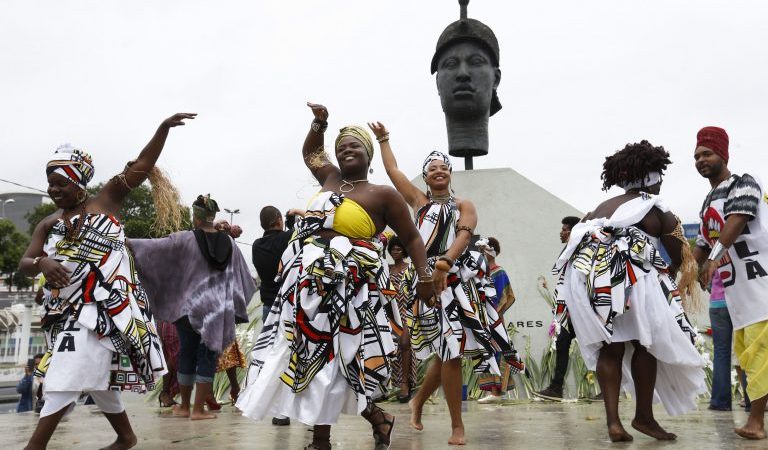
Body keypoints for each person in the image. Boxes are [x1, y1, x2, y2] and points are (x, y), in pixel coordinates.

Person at [236, 103, 434, 450]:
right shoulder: (329, 179)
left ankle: (324, 441)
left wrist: (425, 276)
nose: (346, 149)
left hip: (351, 288)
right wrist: (320, 123)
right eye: (341, 146)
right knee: (315, 358)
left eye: (354, 145)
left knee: (335, 358)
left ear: (368, 154)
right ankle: (375, 418)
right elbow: (311, 152)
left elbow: (414, 238)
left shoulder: (382, 194)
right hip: (309, 286)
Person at [18, 113, 194, 450]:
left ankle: (34, 447)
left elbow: (141, 165)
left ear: (79, 183)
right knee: (95, 377)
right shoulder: (48, 223)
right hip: (66, 312)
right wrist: (43, 261)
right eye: (50, 184)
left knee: (66, 374)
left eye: (61, 183)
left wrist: (162, 129)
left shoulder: (105, 202)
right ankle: (126, 437)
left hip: (107, 310)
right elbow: (26, 261)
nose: (54, 190)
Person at [370, 121, 524, 446]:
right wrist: (384, 139)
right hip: (427, 286)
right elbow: (393, 170)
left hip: (455, 283)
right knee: (447, 353)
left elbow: (464, 233)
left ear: (450, 174)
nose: (438, 171)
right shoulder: (418, 203)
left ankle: (436, 414)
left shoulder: (463, 205)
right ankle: (438, 414)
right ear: (425, 177)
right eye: (432, 168)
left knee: (447, 354)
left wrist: (445, 262)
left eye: (444, 167)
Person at [553, 140, 706, 442]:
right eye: (659, 175)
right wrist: (668, 291)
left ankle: (614, 422)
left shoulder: (598, 210)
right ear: (651, 176)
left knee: (611, 348)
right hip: (633, 284)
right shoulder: (657, 209)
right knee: (644, 344)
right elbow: (678, 257)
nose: (661, 182)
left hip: (593, 285)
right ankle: (644, 417)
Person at [130, 194, 255, 421]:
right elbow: (244, 278)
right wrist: (233, 307)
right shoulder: (230, 244)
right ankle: (199, 410)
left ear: (196, 218)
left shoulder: (183, 239)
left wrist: (128, 241)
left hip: (187, 310)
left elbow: (154, 249)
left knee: (187, 353)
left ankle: (185, 406)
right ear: (212, 217)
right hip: (216, 312)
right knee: (207, 357)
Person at [693, 126, 768, 440]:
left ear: (723, 154)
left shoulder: (744, 183)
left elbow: (737, 219)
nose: (700, 160)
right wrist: (685, 273)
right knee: (746, 357)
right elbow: (700, 241)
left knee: (761, 353)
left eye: (707, 153)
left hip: (761, 286)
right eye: (696, 155)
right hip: (739, 294)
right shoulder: (709, 198)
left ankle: (756, 422)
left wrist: (712, 257)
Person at [536, 216, 583, 401]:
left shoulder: (580, 250)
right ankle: (556, 388)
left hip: (580, 309)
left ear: (574, 232)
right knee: (563, 342)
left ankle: (610, 389)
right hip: (571, 310)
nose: (561, 232)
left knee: (599, 347)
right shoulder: (569, 250)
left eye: (566, 229)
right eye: (562, 229)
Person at [476, 237, 517, 404]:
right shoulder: (479, 273)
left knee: (497, 351)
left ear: (492, 251)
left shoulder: (499, 272)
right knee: (486, 352)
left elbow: (505, 295)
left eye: (484, 249)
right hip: (482, 317)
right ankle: (493, 390)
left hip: (494, 318)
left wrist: (494, 314)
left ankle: (497, 391)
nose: (481, 253)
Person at [387, 235, 418, 403]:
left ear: (404, 250)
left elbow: (415, 293)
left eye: (398, 248)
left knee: (405, 344)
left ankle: (405, 384)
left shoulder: (410, 268)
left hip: (406, 311)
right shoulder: (387, 269)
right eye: (392, 249)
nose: (395, 251)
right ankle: (387, 386)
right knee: (389, 349)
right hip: (390, 314)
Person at [707, 271, 733, 411]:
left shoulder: (713, 248)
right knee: (749, 350)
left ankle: (719, 401)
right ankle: (752, 402)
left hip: (717, 302)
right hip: (741, 302)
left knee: (721, 353)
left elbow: (702, 269)